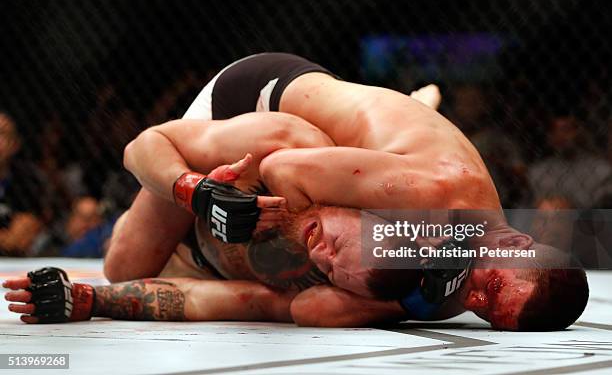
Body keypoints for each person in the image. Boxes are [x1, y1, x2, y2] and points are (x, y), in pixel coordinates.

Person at [4, 54, 589, 330]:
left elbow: (309, 308)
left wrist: (402, 300)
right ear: (518, 243)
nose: (473, 303)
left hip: (360, 170)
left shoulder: (457, 267)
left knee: (308, 263)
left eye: (488, 314)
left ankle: (408, 110)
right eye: (489, 289)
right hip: (261, 100)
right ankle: (403, 111)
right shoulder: (437, 195)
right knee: (126, 261)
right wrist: (198, 193)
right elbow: (286, 170)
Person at [0, 112, 48, 256]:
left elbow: (18, 240)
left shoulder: (27, 181)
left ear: (14, 144)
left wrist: (9, 239)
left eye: (1, 134)